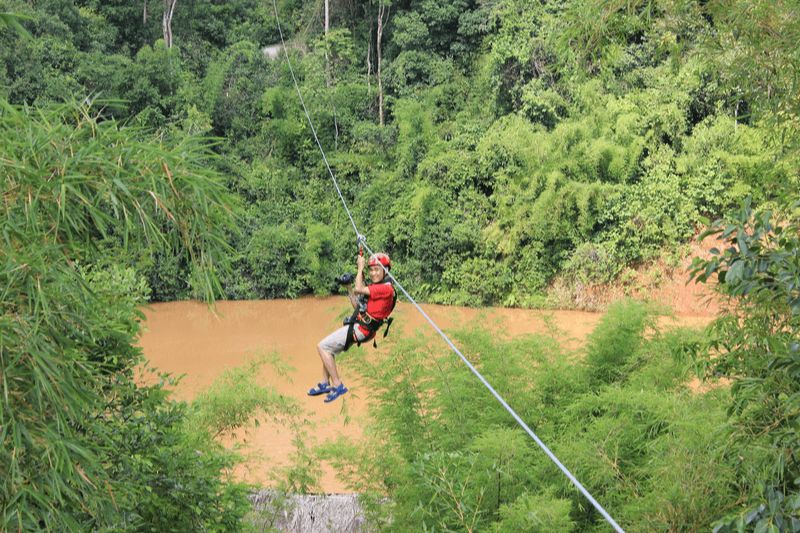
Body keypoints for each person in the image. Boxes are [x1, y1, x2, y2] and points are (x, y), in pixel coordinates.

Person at [308, 252, 396, 403]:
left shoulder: (386, 289)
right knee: (329, 349)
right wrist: (348, 287)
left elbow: (359, 288)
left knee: (322, 347)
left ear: (385, 270)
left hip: (362, 329)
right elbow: (357, 306)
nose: (373, 273)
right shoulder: (377, 287)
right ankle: (324, 383)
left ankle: (338, 385)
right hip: (361, 325)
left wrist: (360, 267)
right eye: (371, 269)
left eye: (377, 269)